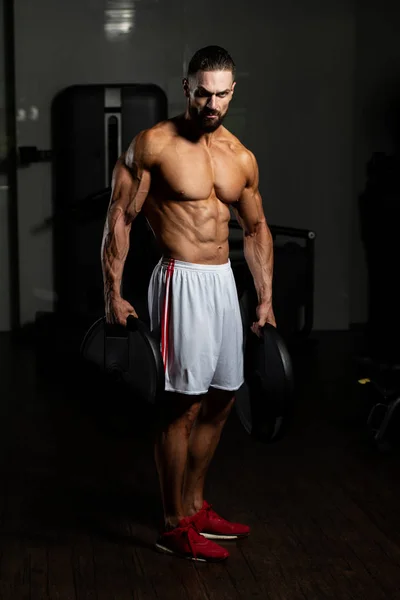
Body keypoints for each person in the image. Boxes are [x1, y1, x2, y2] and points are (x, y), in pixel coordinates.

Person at [101, 45, 276, 562]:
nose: (212, 102)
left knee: (223, 398)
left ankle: (196, 505)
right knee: (182, 405)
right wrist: (112, 292)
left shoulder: (240, 156)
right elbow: (120, 220)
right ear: (186, 88)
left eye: (222, 93)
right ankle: (174, 521)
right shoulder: (153, 145)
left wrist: (265, 297)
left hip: (224, 282)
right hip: (181, 281)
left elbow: (257, 227)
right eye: (203, 92)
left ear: (232, 92)